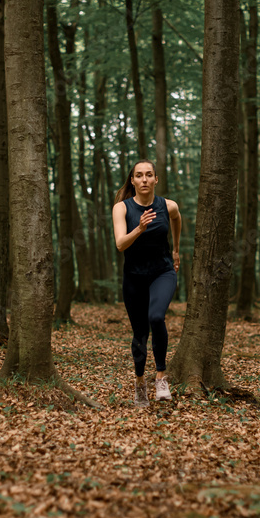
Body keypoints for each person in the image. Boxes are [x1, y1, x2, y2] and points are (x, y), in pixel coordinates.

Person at [112, 160, 181, 407]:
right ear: (132, 180)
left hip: (162, 272)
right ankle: (140, 383)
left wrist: (176, 250)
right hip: (134, 277)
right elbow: (120, 244)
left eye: (148, 175)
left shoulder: (167, 205)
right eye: (139, 175)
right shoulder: (122, 208)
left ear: (155, 179)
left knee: (156, 317)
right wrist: (139, 228)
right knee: (140, 333)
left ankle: (161, 378)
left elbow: (176, 218)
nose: (144, 179)